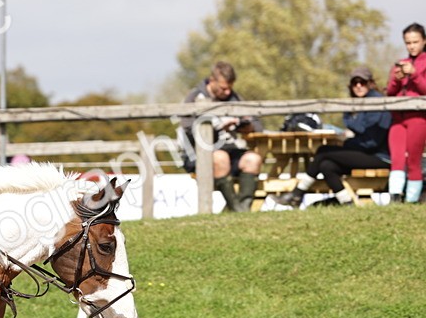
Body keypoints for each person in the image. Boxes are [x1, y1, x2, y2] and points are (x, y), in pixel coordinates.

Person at [273, 67, 391, 208]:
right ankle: (347, 203)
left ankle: (297, 194)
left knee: (323, 151)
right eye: (355, 83)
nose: (358, 86)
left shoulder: (375, 102)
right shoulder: (358, 103)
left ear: (370, 83)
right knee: (326, 165)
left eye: (362, 82)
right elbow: (358, 129)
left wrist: (347, 140)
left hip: (381, 156)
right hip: (367, 151)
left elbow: (370, 140)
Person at [178, 61, 264, 212]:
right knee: (220, 157)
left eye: (230, 88)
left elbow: (258, 125)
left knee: (253, 159)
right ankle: (236, 210)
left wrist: (247, 126)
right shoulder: (195, 97)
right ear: (212, 80)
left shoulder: (235, 98)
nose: (227, 92)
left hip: (231, 150)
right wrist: (217, 128)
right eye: (223, 88)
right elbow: (188, 130)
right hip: (200, 154)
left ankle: (242, 210)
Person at [385, 22, 426, 203]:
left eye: (415, 42)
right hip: (398, 118)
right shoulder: (402, 64)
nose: (411, 46)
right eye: (408, 43)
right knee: (397, 158)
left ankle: (411, 199)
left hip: (418, 118)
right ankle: (395, 197)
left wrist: (415, 75)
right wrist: (396, 78)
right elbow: (390, 92)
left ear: (423, 41)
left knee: (414, 161)